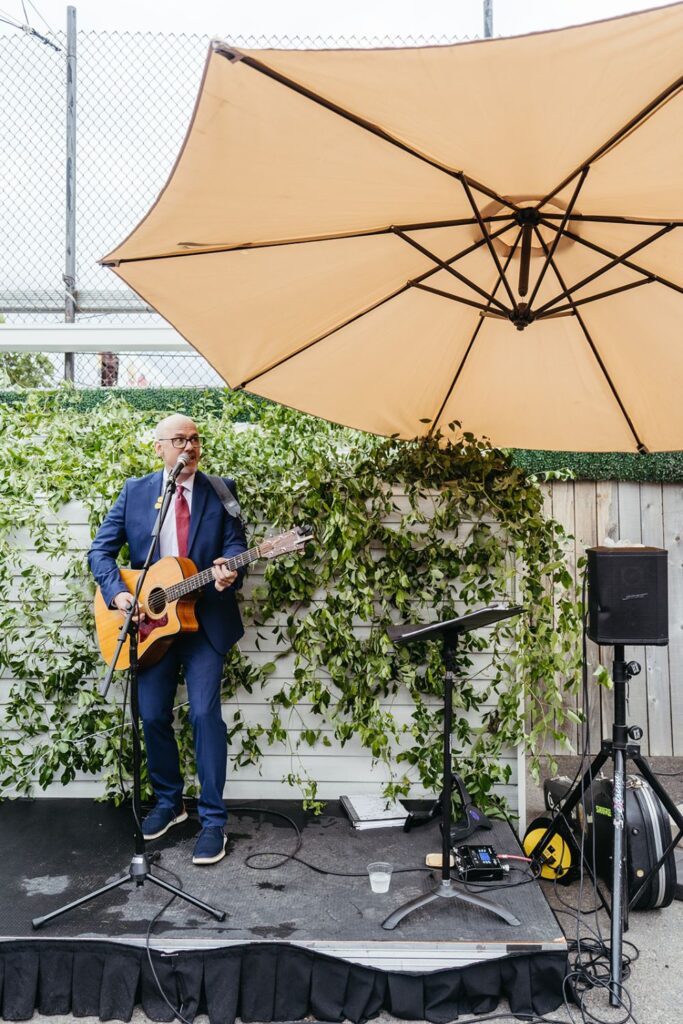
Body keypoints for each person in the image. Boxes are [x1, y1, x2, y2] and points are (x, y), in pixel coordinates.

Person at [88, 414, 247, 865]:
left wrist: (228, 571)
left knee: (203, 714)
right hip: (149, 626)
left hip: (205, 623)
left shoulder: (221, 489)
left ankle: (213, 821)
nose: (190, 447)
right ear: (159, 447)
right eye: (180, 440)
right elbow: (100, 551)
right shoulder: (136, 493)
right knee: (152, 714)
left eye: (195, 439)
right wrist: (119, 594)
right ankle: (170, 802)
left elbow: (238, 545)